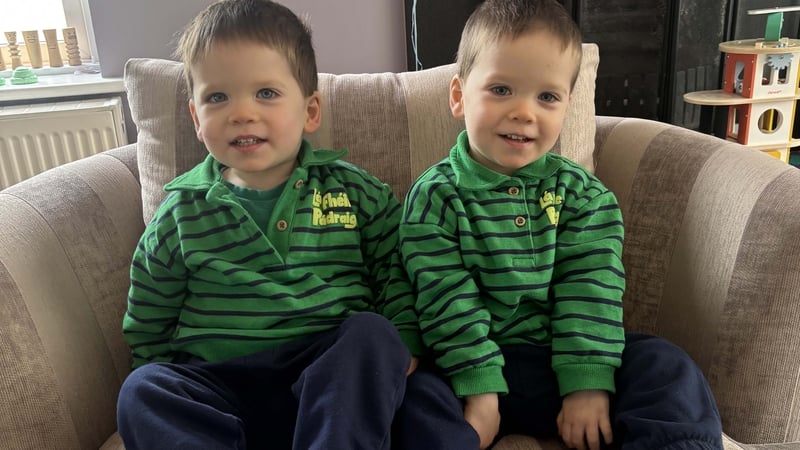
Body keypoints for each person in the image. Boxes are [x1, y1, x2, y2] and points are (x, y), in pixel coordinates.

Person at [116, 1, 478, 448]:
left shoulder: (357, 193)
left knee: (377, 337)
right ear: (196, 118)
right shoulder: (178, 216)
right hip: (222, 385)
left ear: (310, 112)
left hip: (333, 383)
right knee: (142, 390)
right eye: (217, 97)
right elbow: (149, 319)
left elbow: (396, 272)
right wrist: (155, 371)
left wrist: (400, 340)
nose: (241, 112)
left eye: (265, 93)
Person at [398, 1, 724, 449]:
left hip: (562, 361)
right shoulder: (434, 196)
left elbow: (590, 287)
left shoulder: (584, 196)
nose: (524, 112)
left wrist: (587, 385)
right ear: (458, 96)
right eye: (501, 89)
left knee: (666, 364)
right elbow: (443, 298)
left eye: (546, 97)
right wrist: (480, 389)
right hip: (465, 369)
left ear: (567, 106)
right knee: (407, 393)